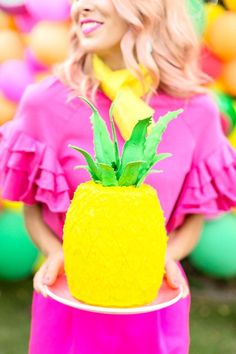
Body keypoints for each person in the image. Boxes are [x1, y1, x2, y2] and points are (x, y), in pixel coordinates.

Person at [1, 1, 236, 353]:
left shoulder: (197, 110)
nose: (82, 7)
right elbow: (33, 203)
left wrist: (168, 257)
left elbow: (195, 210)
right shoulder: (45, 102)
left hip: (155, 298)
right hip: (71, 297)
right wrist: (55, 253)